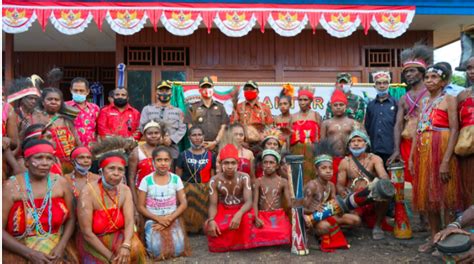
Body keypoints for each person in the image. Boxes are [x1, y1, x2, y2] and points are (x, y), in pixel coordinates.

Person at [408, 63, 463, 253]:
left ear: (444, 81)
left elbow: (455, 129)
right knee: (429, 197)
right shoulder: (423, 102)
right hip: (423, 151)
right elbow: (417, 130)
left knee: (446, 198)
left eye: (434, 77)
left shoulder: (449, 100)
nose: (429, 81)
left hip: (442, 148)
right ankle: (434, 237)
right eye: (427, 78)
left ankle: (446, 240)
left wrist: (446, 160)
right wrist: (412, 157)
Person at [2, 139, 78, 263]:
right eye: (38, 158)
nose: (44, 163)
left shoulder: (61, 183)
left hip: (56, 250)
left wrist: (61, 246)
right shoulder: (11, 187)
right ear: (26, 162)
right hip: (19, 251)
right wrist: (29, 253)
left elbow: (71, 219)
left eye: (49, 158)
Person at [77, 149, 146, 263]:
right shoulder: (87, 192)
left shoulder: (125, 190)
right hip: (95, 240)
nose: (116, 173)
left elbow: (129, 222)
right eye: (111, 168)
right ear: (101, 171)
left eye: (120, 169)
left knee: (135, 249)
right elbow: (87, 233)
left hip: (119, 236)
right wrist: (110, 257)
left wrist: (126, 245)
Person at [388, 44, 433, 183]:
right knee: (407, 181)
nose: (408, 74)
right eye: (406, 72)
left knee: (427, 180)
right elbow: (398, 125)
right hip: (406, 144)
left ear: (422, 72)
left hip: (427, 143)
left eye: (412, 71)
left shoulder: (433, 93)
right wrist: (396, 149)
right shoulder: (403, 98)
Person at [304, 142, 360, 252]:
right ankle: (313, 234)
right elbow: (301, 209)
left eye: (330, 168)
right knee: (325, 227)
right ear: (316, 171)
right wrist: (313, 210)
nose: (328, 171)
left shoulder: (331, 185)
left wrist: (341, 208)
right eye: (324, 168)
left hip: (326, 215)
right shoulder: (312, 185)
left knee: (356, 220)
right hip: (312, 219)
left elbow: (334, 203)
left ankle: (330, 231)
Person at [136, 146, 190, 260]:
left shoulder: (175, 179)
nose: (163, 163)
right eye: (159, 160)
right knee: (155, 251)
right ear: (153, 161)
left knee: (178, 249)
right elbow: (140, 206)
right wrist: (158, 219)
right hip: (153, 219)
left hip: (172, 217)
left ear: (171, 161)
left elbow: (183, 203)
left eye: (166, 160)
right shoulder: (146, 180)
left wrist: (169, 219)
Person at [336, 130, 391, 240]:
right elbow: (340, 185)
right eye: (353, 141)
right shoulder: (345, 162)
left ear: (366, 144)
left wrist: (379, 184)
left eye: (359, 141)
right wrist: (343, 192)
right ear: (349, 145)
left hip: (371, 197)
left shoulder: (375, 159)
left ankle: (377, 226)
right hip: (355, 199)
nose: (356, 144)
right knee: (353, 220)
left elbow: (384, 176)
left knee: (384, 194)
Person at [206, 144, 254, 252]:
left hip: (241, 209)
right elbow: (213, 205)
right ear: (221, 164)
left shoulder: (244, 177)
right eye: (226, 163)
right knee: (212, 226)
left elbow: (249, 201)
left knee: (247, 219)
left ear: (237, 164)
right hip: (224, 209)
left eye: (233, 163)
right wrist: (212, 220)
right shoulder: (214, 180)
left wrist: (239, 214)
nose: (230, 166)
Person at [176, 126, 216, 233]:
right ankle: (188, 229)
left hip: (205, 190)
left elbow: (212, 177)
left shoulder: (210, 155)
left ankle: (203, 227)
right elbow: (177, 178)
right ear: (189, 137)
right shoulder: (183, 155)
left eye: (199, 135)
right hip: (188, 189)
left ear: (203, 137)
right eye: (194, 135)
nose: (197, 137)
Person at [31, 87, 80, 174]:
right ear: (43, 102)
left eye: (56, 100)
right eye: (49, 99)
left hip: (70, 164)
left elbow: (77, 140)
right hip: (49, 163)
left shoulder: (66, 120)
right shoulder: (36, 118)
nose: (53, 102)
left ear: (61, 103)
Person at [252, 149, 292, 248]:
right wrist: (256, 218)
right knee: (256, 232)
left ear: (277, 166)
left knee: (286, 232)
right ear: (262, 165)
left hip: (278, 216)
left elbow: (290, 203)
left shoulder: (283, 181)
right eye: (265, 162)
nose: (268, 165)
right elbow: (255, 202)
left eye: (271, 162)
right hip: (262, 216)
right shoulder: (258, 181)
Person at [321, 89, 360, 184]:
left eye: (341, 105)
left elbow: (358, 142)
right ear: (331, 107)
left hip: (348, 159)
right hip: (331, 159)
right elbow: (322, 143)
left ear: (346, 106)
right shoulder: (326, 123)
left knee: (348, 185)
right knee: (332, 185)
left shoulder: (353, 123)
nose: (338, 107)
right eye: (335, 105)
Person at [140, 80, 187, 159]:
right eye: (161, 90)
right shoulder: (147, 109)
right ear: (156, 93)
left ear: (171, 93)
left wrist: (171, 139)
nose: (164, 93)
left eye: (167, 90)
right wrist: (154, 139)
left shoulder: (178, 111)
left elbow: (182, 128)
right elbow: (142, 127)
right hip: (151, 148)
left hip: (171, 148)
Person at [184, 76, 229, 152]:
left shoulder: (220, 107)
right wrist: (199, 142)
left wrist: (215, 142)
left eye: (209, 87)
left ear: (213, 89)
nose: (207, 89)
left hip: (217, 146)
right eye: (204, 87)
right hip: (199, 147)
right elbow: (190, 128)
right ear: (199, 90)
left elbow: (223, 127)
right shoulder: (193, 108)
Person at [290, 86, 322, 184]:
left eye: (305, 99)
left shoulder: (316, 116)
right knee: (297, 178)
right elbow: (288, 137)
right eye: (300, 100)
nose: (302, 102)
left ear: (311, 101)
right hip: (296, 151)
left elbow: (321, 136)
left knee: (311, 177)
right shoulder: (293, 117)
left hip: (312, 151)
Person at [128, 120, 164, 205]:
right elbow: (131, 178)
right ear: (144, 135)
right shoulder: (137, 151)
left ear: (161, 135)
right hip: (142, 195)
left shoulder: (164, 151)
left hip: (163, 195)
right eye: (150, 133)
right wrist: (136, 203)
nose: (153, 136)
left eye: (156, 133)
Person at [365, 71, 398, 166]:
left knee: (392, 179)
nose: (382, 85)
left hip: (392, 150)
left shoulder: (396, 103)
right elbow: (367, 126)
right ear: (374, 86)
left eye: (385, 83)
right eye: (379, 83)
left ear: (389, 85)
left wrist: (397, 149)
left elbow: (400, 126)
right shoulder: (370, 105)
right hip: (375, 149)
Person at [230, 80, 274, 148]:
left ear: (257, 92)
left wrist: (264, 139)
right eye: (246, 89)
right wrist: (241, 142)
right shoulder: (238, 107)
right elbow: (233, 126)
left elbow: (270, 127)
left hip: (261, 144)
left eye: (251, 89)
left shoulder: (265, 107)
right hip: (243, 144)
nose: (249, 91)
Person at [457, 57, 474, 206]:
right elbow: (455, 124)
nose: (472, 71)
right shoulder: (462, 95)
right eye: (469, 68)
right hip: (467, 148)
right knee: (468, 186)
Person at [65, 77, 100, 148]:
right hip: (70, 149)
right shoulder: (64, 107)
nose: (78, 93)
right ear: (71, 90)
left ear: (87, 91)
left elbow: (98, 130)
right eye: (75, 90)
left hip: (90, 150)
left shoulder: (95, 108)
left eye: (81, 91)